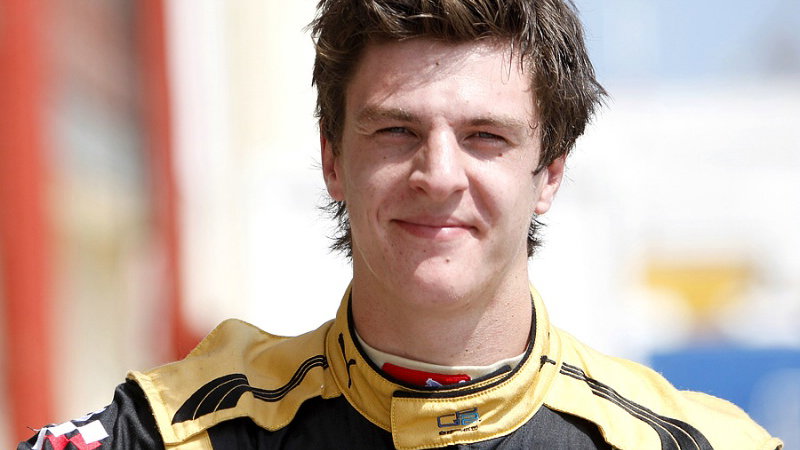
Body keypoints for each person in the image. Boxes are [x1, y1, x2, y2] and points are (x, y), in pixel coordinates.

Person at [19, 0, 783, 449]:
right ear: (332, 158)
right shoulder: (172, 434)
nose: (439, 174)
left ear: (549, 173)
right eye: (395, 131)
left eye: (485, 136)